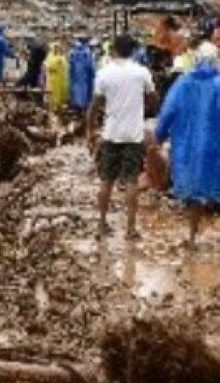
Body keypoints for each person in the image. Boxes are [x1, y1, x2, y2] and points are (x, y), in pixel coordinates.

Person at [87, 34, 156, 240]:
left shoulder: (104, 73)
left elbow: (94, 106)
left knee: (106, 180)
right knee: (132, 181)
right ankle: (130, 229)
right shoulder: (141, 73)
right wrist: (143, 110)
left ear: (113, 50)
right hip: (133, 134)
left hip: (111, 133)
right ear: (132, 51)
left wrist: (90, 131)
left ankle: (101, 224)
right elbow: (153, 99)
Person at [155, 42, 220, 248]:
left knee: (193, 193)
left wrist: (159, 136)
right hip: (214, 147)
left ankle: (192, 236)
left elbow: (168, 112)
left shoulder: (182, 83)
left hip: (186, 148)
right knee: (207, 190)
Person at [69, 38, 96, 112]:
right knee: (85, 92)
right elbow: (91, 66)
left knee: (76, 92)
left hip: (75, 77)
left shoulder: (73, 53)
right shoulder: (87, 53)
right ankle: (83, 108)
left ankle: (77, 107)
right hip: (85, 77)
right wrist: (93, 74)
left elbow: (70, 66)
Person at [44, 42, 69, 112]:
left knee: (61, 96)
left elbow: (66, 67)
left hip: (61, 80)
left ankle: (59, 109)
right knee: (52, 97)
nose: (57, 49)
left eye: (58, 48)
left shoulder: (62, 57)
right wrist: (57, 61)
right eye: (55, 48)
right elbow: (49, 66)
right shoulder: (49, 57)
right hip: (53, 81)